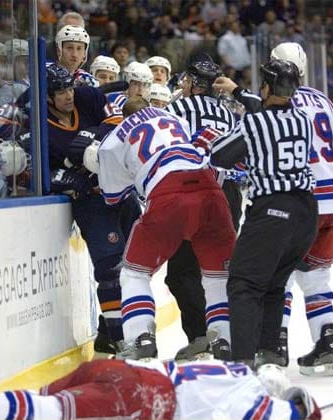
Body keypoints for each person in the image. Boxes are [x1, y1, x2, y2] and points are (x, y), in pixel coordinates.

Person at [213, 42, 333, 376]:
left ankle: (243, 363)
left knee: (243, 284)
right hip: (307, 213)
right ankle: (270, 354)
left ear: (268, 87)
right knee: (275, 283)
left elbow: (221, 155)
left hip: (273, 211)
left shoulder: (256, 122)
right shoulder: (303, 119)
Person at [97, 97, 236, 360]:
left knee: (134, 274)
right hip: (211, 192)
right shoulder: (177, 119)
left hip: (167, 194)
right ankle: (224, 341)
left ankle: (141, 338)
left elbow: (112, 197)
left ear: (121, 116)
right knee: (217, 276)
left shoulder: (115, 138)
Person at [45, 63, 141, 357]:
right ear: (47, 97)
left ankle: (107, 331)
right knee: (111, 270)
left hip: (122, 193)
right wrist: (72, 178)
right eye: (59, 92)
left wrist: (89, 135)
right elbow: (42, 174)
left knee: (139, 264)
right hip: (91, 202)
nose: (67, 96)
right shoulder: (42, 128)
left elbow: (119, 122)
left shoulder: (86, 97)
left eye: (68, 88)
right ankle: (121, 340)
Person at [163, 56, 240, 362]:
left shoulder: (176, 108)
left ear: (195, 83)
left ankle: (200, 336)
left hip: (192, 194)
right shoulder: (229, 112)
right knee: (219, 269)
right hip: (229, 196)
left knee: (181, 274)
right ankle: (228, 335)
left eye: (185, 81)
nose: (181, 85)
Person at [0, 359, 321, 420]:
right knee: (55, 413)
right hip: (147, 397)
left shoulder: (233, 370)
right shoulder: (255, 400)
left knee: (48, 403)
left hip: (119, 370)